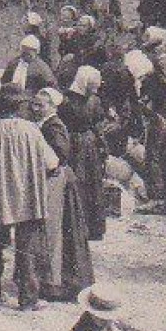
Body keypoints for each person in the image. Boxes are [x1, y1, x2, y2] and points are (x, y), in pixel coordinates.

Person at [0, 84, 57, 310]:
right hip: (26, 196)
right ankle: (28, 298)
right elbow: (52, 162)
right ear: (19, 106)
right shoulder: (31, 130)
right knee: (26, 248)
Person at [35, 87, 95, 302]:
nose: (37, 108)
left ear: (52, 106)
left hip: (58, 180)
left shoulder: (54, 125)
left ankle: (58, 282)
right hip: (53, 179)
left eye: (41, 105)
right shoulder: (45, 124)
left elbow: (60, 153)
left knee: (58, 230)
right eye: (36, 104)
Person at [59, 65, 108, 241]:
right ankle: (77, 226)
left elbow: (99, 124)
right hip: (74, 144)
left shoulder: (94, 101)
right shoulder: (66, 100)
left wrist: (102, 145)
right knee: (77, 183)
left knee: (92, 184)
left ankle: (93, 227)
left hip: (88, 144)